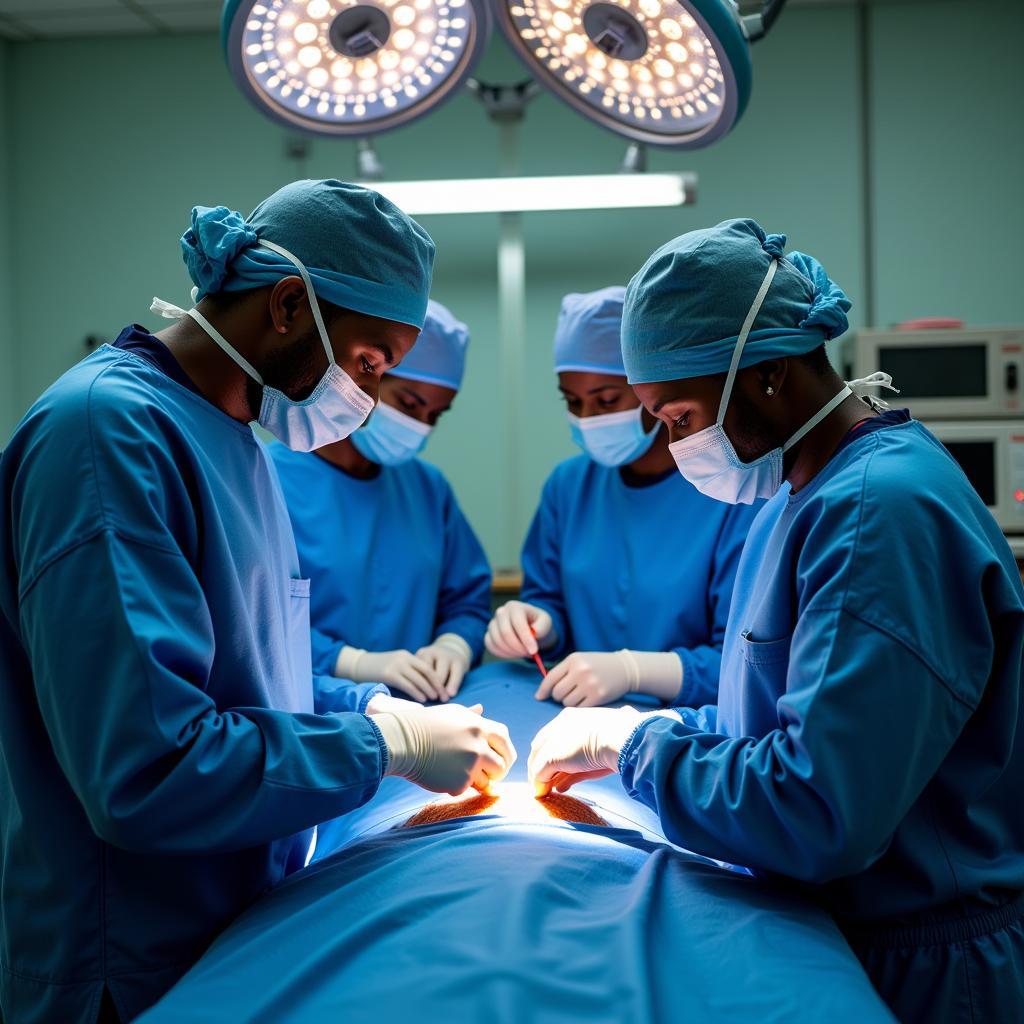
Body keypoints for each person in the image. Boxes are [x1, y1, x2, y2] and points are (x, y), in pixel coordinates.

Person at [0, 180, 515, 1024]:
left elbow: (253, 674)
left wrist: (372, 703)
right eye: (371, 363)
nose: (369, 394)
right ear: (286, 306)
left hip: (233, 921)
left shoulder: (233, 435)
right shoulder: (106, 435)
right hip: (129, 965)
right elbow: (148, 770)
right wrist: (381, 745)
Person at [527, 219, 1024, 1022]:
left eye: (680, 417)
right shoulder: (798, 494)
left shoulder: (876, 515)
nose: (671, 443)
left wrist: (635, 746)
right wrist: (662, 726)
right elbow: (774, 716)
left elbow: (820, 808)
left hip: (920, 964)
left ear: (766, 375)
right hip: (839, 929)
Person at [485, 287, 758, 709]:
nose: (587, 419)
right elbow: (548, 597)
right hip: (575, 718)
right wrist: (539, 625)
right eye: (573, 402)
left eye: (607, 400)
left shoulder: (729, 491)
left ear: (651, 391)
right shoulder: (569, 487)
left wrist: (633, 671)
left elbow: (745, 659)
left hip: (687, 727)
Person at [269, 299, 489, 704]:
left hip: (424, 715)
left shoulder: (427, 489)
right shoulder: (267, 480)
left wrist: (454, 645)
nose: (419, 426)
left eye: (435, 414)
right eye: (408, 402)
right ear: (366, 373)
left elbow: (468, 601)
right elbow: (253, 617)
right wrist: (350, 662)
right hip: (309, 713)